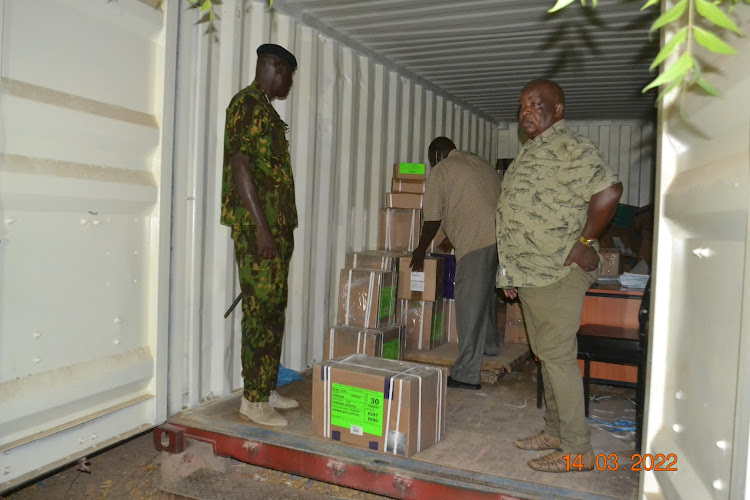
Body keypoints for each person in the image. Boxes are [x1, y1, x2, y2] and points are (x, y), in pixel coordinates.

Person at [496, 80, 623, 471]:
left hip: (557, 272)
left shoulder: (571, 147)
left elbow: (610, 191)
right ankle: (554, 431)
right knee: (546, 356)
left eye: (536, 104)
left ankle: (577, 451)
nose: (526, 112)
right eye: (521, 106)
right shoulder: (531, 152)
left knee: (558, 359)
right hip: (533, 273)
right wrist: (510, 273)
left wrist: (585, 240)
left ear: (558, 109)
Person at [221, 44, 299, 427]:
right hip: (259, 231)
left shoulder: (266, 109)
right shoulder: (247, 106)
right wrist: (263, 229)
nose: (289, 83)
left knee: (273, 309)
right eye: (289, 75)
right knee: (259, 312)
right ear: (276, 68)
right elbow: (240, 166)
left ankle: (265, 387)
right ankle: (252, 401)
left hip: (276, 228)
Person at [411, 137, 502, 390]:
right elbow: (473, 202)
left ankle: (466, 373)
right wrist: (452, 235)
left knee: (469, 305)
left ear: (437, 156)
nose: (431, 166)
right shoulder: (479, 163)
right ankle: (490, 346)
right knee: (486, 295)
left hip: (476, 241)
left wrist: (419, 250)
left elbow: (432, 218)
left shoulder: (442, 169)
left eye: (431, 161)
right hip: (500, 238)